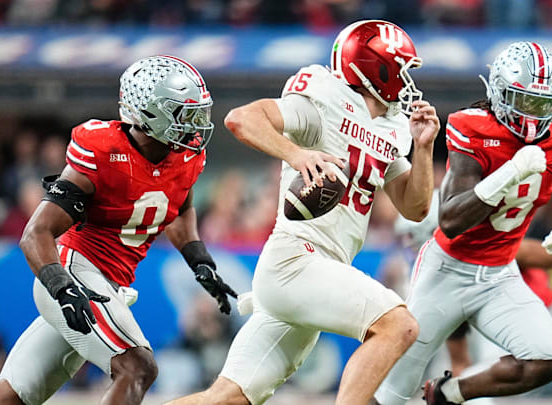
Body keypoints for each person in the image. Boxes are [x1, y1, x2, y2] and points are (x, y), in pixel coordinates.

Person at [166, 19, 440, 405]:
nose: (407, 80)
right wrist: (298, 154)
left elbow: (415, 206)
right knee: (398, 326)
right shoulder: (326, 98)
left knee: (226, 398)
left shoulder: (392, 125)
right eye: (401, 68)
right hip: (296, 261)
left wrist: (424, 149)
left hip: (320, 269)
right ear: (374, 66)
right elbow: (241, 118)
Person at [0, 55, 237, 405]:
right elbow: (36, 233)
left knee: (1, 402)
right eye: (183, 113)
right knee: (138, 366)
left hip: (108, 285)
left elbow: (178, 209)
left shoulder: (185, 157)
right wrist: (64, 289)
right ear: (149, 112)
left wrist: (198, 259)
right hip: (73, 272)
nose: (195, 124)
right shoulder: (103, 152)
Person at [375, 41, 552, 405]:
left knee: (546, 360)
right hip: (446, 272)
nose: (534, 113)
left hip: (499, 274)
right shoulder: (472, 127)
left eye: (543, 103)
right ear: (501, 94)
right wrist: (509, 172)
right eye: (524, 101)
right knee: (389, 395)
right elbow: (450, 220)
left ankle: (449, 393)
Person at [393, 205, 552, 405]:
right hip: (499, 339)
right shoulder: (436, 280)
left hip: (549, 319)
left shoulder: (489, 248)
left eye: (411, 238)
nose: (410, 247)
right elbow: (460, 359)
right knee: (465, 386)